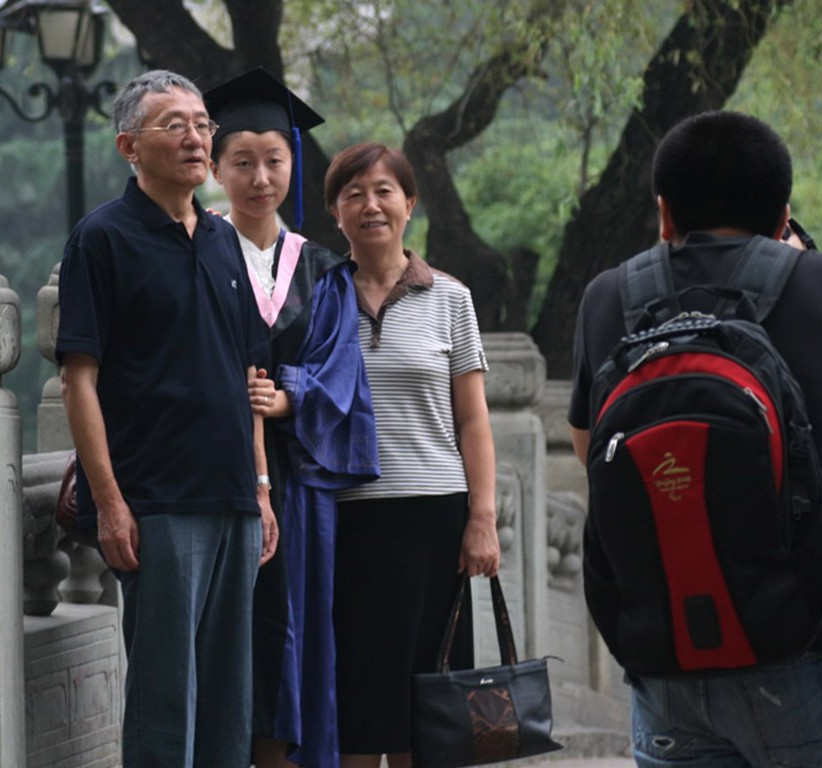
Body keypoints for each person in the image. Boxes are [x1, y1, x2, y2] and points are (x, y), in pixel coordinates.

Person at [567, 110, 822, 767]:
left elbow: (588, 449)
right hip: (806, 647)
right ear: (781, 214)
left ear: (664, 215)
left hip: (665, 655)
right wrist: (810, 270)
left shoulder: (608, 297)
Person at [55, 68, 278, 768]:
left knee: (227, 703)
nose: (196, 136)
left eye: (203, 123)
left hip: (233, 500)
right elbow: (77, 380)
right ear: (130, 145)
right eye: (174, 124)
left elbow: (249, 375)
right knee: (164, 703)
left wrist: (262, 487)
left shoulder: (221, 241)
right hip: (156, 504)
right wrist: (112, 505)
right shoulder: (103, 239)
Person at [202, 68, 367, 768]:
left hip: (299, 490)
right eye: (242, 162)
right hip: (215, 481)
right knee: (226, 640)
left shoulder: (323, 270)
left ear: (294, 164)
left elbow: (343, 371)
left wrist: (291, 395)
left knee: (295, 636)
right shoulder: (196, 253)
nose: (260, 177)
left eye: (274, 160)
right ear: (215, 168)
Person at [319, 142, 501, 768]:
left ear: (409, 203)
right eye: (353, 194)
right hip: (349, 523)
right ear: (334, 213)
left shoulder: (450, 298)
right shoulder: (317, 298)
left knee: (434, 703)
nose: (370, 206)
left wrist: (483, 517)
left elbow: (473, 419)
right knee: (359, 706)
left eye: (383, 191)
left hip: (435, 519)